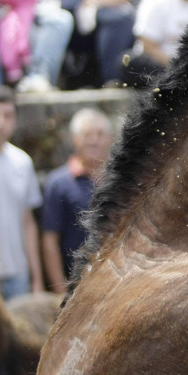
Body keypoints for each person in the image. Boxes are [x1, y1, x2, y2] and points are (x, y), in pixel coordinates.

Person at [41, 107, 113, 293]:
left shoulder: (123, 180)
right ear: (74, 139)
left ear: (110, 138)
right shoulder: (58, 183)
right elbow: (50, 240)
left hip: (116, 283)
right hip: (75, 286)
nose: (94, 140)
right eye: (87, 134)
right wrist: (59, 292)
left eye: (100, 134)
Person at [0, 85, 44, 301]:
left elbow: (28, 222)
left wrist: (37, 277)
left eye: (8, 115)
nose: (0, 122)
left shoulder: (22, 162)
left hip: (17, 273)